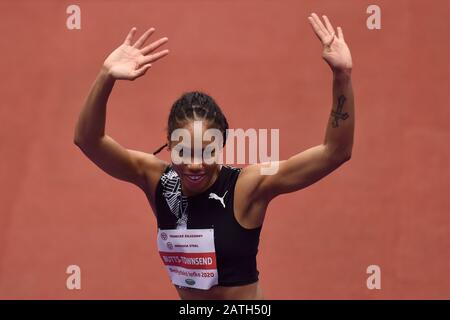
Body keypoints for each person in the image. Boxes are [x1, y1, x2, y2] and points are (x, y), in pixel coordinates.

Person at [74, 13, 354, 300]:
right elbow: (88, 140)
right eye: (184, 151)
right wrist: (106, 76)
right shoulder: (156, 181)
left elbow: (334, 152)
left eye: (206, 152)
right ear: (169, 145)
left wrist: (341, 76)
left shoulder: (246, 187)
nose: (195, 165)